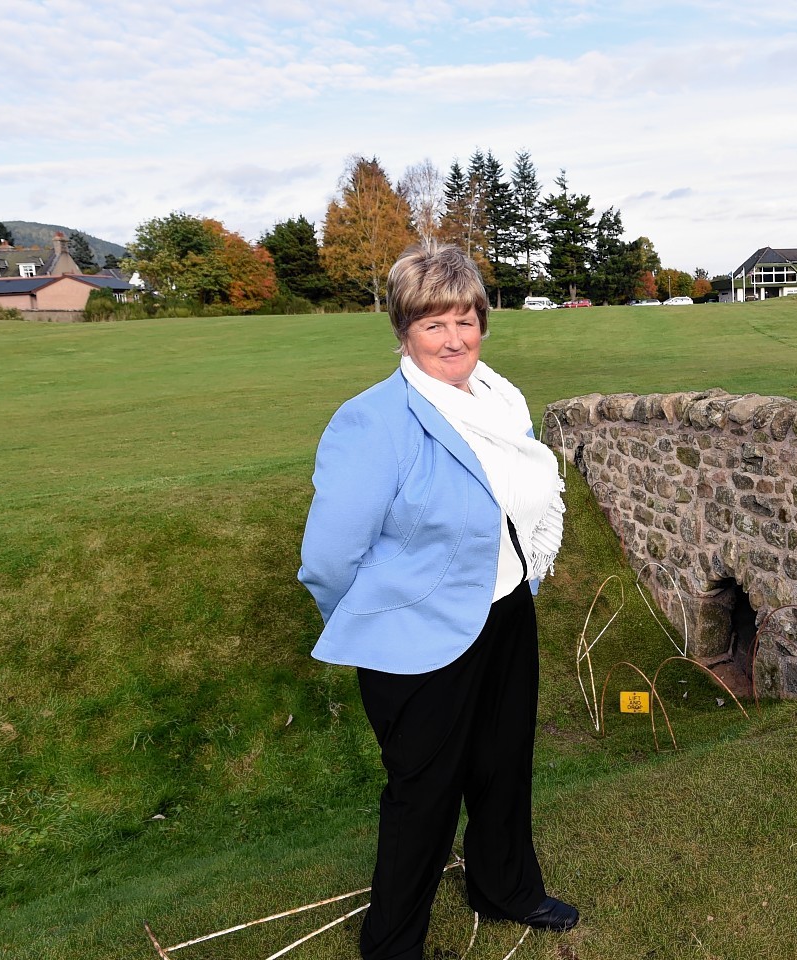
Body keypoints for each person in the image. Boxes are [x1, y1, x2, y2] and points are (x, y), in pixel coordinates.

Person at [298, 244, 577, 960]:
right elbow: (328, 560)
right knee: (423, 799)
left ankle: (504, 887)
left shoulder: (500, 400)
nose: (454, 339)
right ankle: (392, 946)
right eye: (433, 325)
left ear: (483, 321)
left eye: (465, 319)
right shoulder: (373, 421)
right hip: (415, 642)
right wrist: (378, 628)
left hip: (506, 612)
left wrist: (522, 580)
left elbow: (518, 508)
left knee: (504, 767)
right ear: (403, 332)